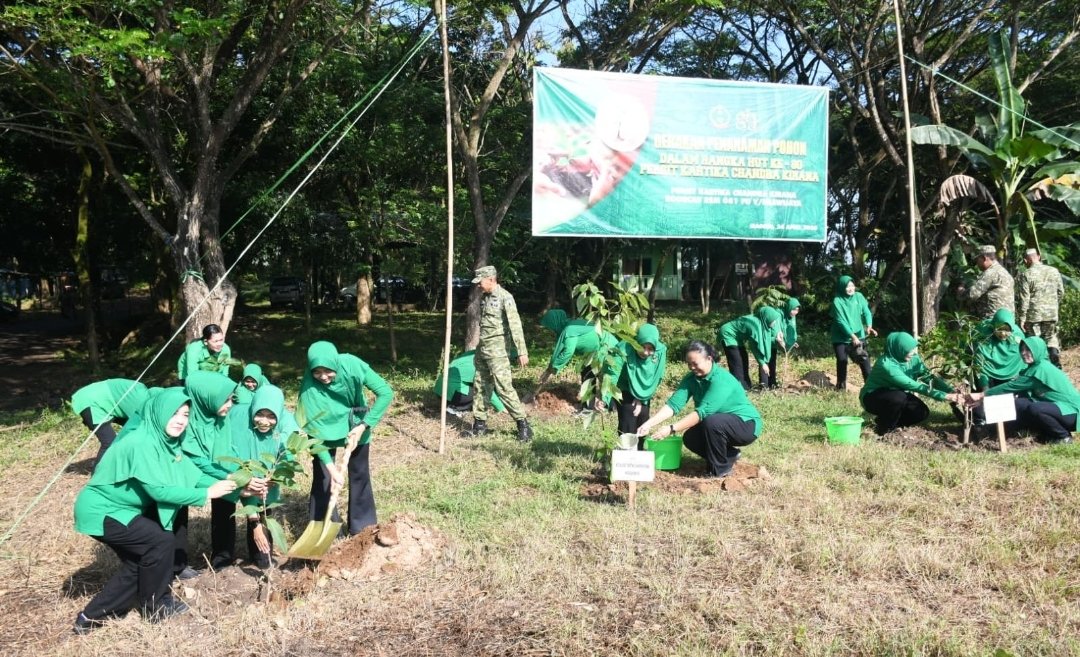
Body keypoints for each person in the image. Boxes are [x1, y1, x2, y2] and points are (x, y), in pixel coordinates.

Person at [72, 388, 237, 634]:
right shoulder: (141, 443)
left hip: (120, 510)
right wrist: (207, 494)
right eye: (174, 413)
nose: (180, 420)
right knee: (159, 542)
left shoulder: (166, 442)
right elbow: (160, 492)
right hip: (103, 511)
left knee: (140, 562)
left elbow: (190, 474)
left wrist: (234, 485)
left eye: (185, 414)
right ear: (158, 413)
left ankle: (90, 617)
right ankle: (156, 606)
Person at [298, 340, 394, 535]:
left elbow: (385, 392)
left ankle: (362, 527)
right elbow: (313, 436)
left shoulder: (351, 365)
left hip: (356, 424)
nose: (323, 377)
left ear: (336, 364)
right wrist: (332, 469)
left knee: (359, 473)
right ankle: (323, 529)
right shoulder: (309, 390)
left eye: (328, 371)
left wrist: (364, 425)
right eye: (317, 372)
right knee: (323, 478)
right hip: (324, 432)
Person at [636, 341, 762, 478]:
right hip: (718, 423)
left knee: (711, 422)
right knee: (691, 437)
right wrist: (649, 423)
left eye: (695, 363)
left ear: (709, 359)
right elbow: (673, 405)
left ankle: (720, 470)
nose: (692, 367)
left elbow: (702, 413)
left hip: (746, 425)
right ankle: (729, 454)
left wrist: (671, 428)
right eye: (689, 364)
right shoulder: (691, 379)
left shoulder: (721, 380)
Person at [230, 384, 298, 568]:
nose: (264, 421)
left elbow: (288, 460)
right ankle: (229, 555)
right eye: (259, 414)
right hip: (242, 479)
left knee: (266, 509)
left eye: (271, 416)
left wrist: (274, 478)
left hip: (267, 479)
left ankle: (262, 556)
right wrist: (254, 523)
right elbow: (243, 476)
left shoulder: (286, 427)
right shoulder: (240, 428)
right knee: (237, 506)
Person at [181, 371, 243, 570]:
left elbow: (226, 454)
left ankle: (222, 557)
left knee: (225, 504)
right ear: (205, 400)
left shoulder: (221, 417)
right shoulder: (182, 420)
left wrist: (237, 478)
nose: (230, 405)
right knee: (178, 512)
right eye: (224, 400)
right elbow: (195, 460)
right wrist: (228, 477)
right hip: (182, 474)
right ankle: (178, 564)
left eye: (231, 399)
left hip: (218, 469)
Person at [464, 266, 533, 442]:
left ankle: (523, 424)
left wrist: (521, 351)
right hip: (483, 349)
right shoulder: (484, 298)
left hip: (498, 351)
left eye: (480, 282)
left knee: (504, 388)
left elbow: (515, 325)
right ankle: (479, 425)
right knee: (480, 384)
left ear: (491, 279)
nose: (478, 286)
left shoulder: (505, 297)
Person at [967, 336, 1079, 444]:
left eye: (1028, 350)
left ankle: (1063, 436)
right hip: (1058, 408)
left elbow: (1010, 387)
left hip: (1071, 411)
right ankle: (1037, 431)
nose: (1024, 353)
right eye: (1022, 349)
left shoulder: (1041, 369)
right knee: (1019, 404)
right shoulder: (1035, 367)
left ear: (1038, 350)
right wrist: (984, 400)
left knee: (1036, 408)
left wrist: (982, 395)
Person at [860, 332, 962, 435]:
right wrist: (946, 396)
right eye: (909, 350)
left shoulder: (913, 359)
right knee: (898, 397)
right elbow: (914, 386)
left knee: (921, 412)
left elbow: (928, 377)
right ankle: (884, 429)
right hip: (872, 397)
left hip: (897, 395)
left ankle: (886, 422)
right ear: (898, 349)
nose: (913, 352)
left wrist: (950, 390)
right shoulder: (887, 366)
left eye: (913, 349)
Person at [596, 323, 668, 443]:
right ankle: (626, 451)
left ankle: (639, 453)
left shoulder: (660, 351)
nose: (645, 352)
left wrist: (642, 398)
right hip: (624, 386)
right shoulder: (623, 349)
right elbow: (612, 375)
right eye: (642, 347)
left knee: (643, 417)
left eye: (650, 349)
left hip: (645, 389)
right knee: (629, 414)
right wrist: (604, 397)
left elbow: (657, 378)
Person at [534, 308, 617, 407]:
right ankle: (588, 406)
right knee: (587, 374)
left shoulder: (570, 331)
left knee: (607, 378)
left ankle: (610, 407)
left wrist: (553, 368)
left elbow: (567, 352)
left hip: (607, 348)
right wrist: (550, 368)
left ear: (554, 323)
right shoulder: (570, 326)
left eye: (549, 327)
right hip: (593, 353)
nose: (549, 331)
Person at [71, 378, 151, 468]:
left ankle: (126, 465)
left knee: (131, 433)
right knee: (109, 442)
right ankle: (98, 475)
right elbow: (144, 429)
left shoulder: (144, 395)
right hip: (92, 402)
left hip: (107, 402)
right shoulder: (141, 402)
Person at [1015, 248, 1065, 367]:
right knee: (1051, 338)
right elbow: (1061, 292)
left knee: (1035, 342)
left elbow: (1024, 298)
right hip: (1051, 313)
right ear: (1039, 257)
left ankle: (1039, 368)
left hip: (1033, 315)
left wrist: (1022, 318)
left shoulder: (1026, 274)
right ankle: (1055, 364)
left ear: (1025, 261)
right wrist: (1052, 305)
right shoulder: (1054, 271)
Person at [716, 305, 783, 390]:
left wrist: (777, 340)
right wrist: (762, 363)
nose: (774, 323)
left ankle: (747, 387)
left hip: (738, 338)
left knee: (744, 358)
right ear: (767, 317)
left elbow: (766, 339)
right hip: (728, 334)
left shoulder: (763, 324)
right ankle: (739, 389)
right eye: (773, 320)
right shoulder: (755, 326)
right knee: (737, 362)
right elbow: (754, 346)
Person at [830, 275, 877, 391]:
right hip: (841, 337)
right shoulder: (837, 301)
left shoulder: (859, 296)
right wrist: (852, 336)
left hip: (859, 334)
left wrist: (869, 325)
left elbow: (866, 311)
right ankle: (841, 388)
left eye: (852, 285)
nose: (851, 288)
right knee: (842, 361)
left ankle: (870, 387)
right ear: (842, 288)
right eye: (847, 286)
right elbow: (841, 321)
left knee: (864, 360)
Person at [433, 350, 507, 417]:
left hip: (440, 390)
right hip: (453, 393)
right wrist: (500, 407)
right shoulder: (479, 366)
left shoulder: (472, 353)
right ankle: (455, 409)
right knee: (479, 393)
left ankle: (450, 404)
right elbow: (486, 389)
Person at [962, 245, 1015, 319]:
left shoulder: (990, 273)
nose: (977, 264)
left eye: (977, 260)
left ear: (984, 258)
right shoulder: (1004, 272)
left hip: (993, 319)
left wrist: (961, 291)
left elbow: (972, 294)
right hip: (1008, 318)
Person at [766, 298, 800, 389]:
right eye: (793, 309)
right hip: (770, 339)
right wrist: (779, 339)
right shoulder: (778, 314)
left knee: (772, 362)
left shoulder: (792, 316)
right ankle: (765, 384)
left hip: (777, 341)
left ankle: (772, 384)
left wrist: (792, 342)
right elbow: (775, 328)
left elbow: (791, 330)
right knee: (768, 360)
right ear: (788, 307)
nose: (795, 312)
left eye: (797, 310)